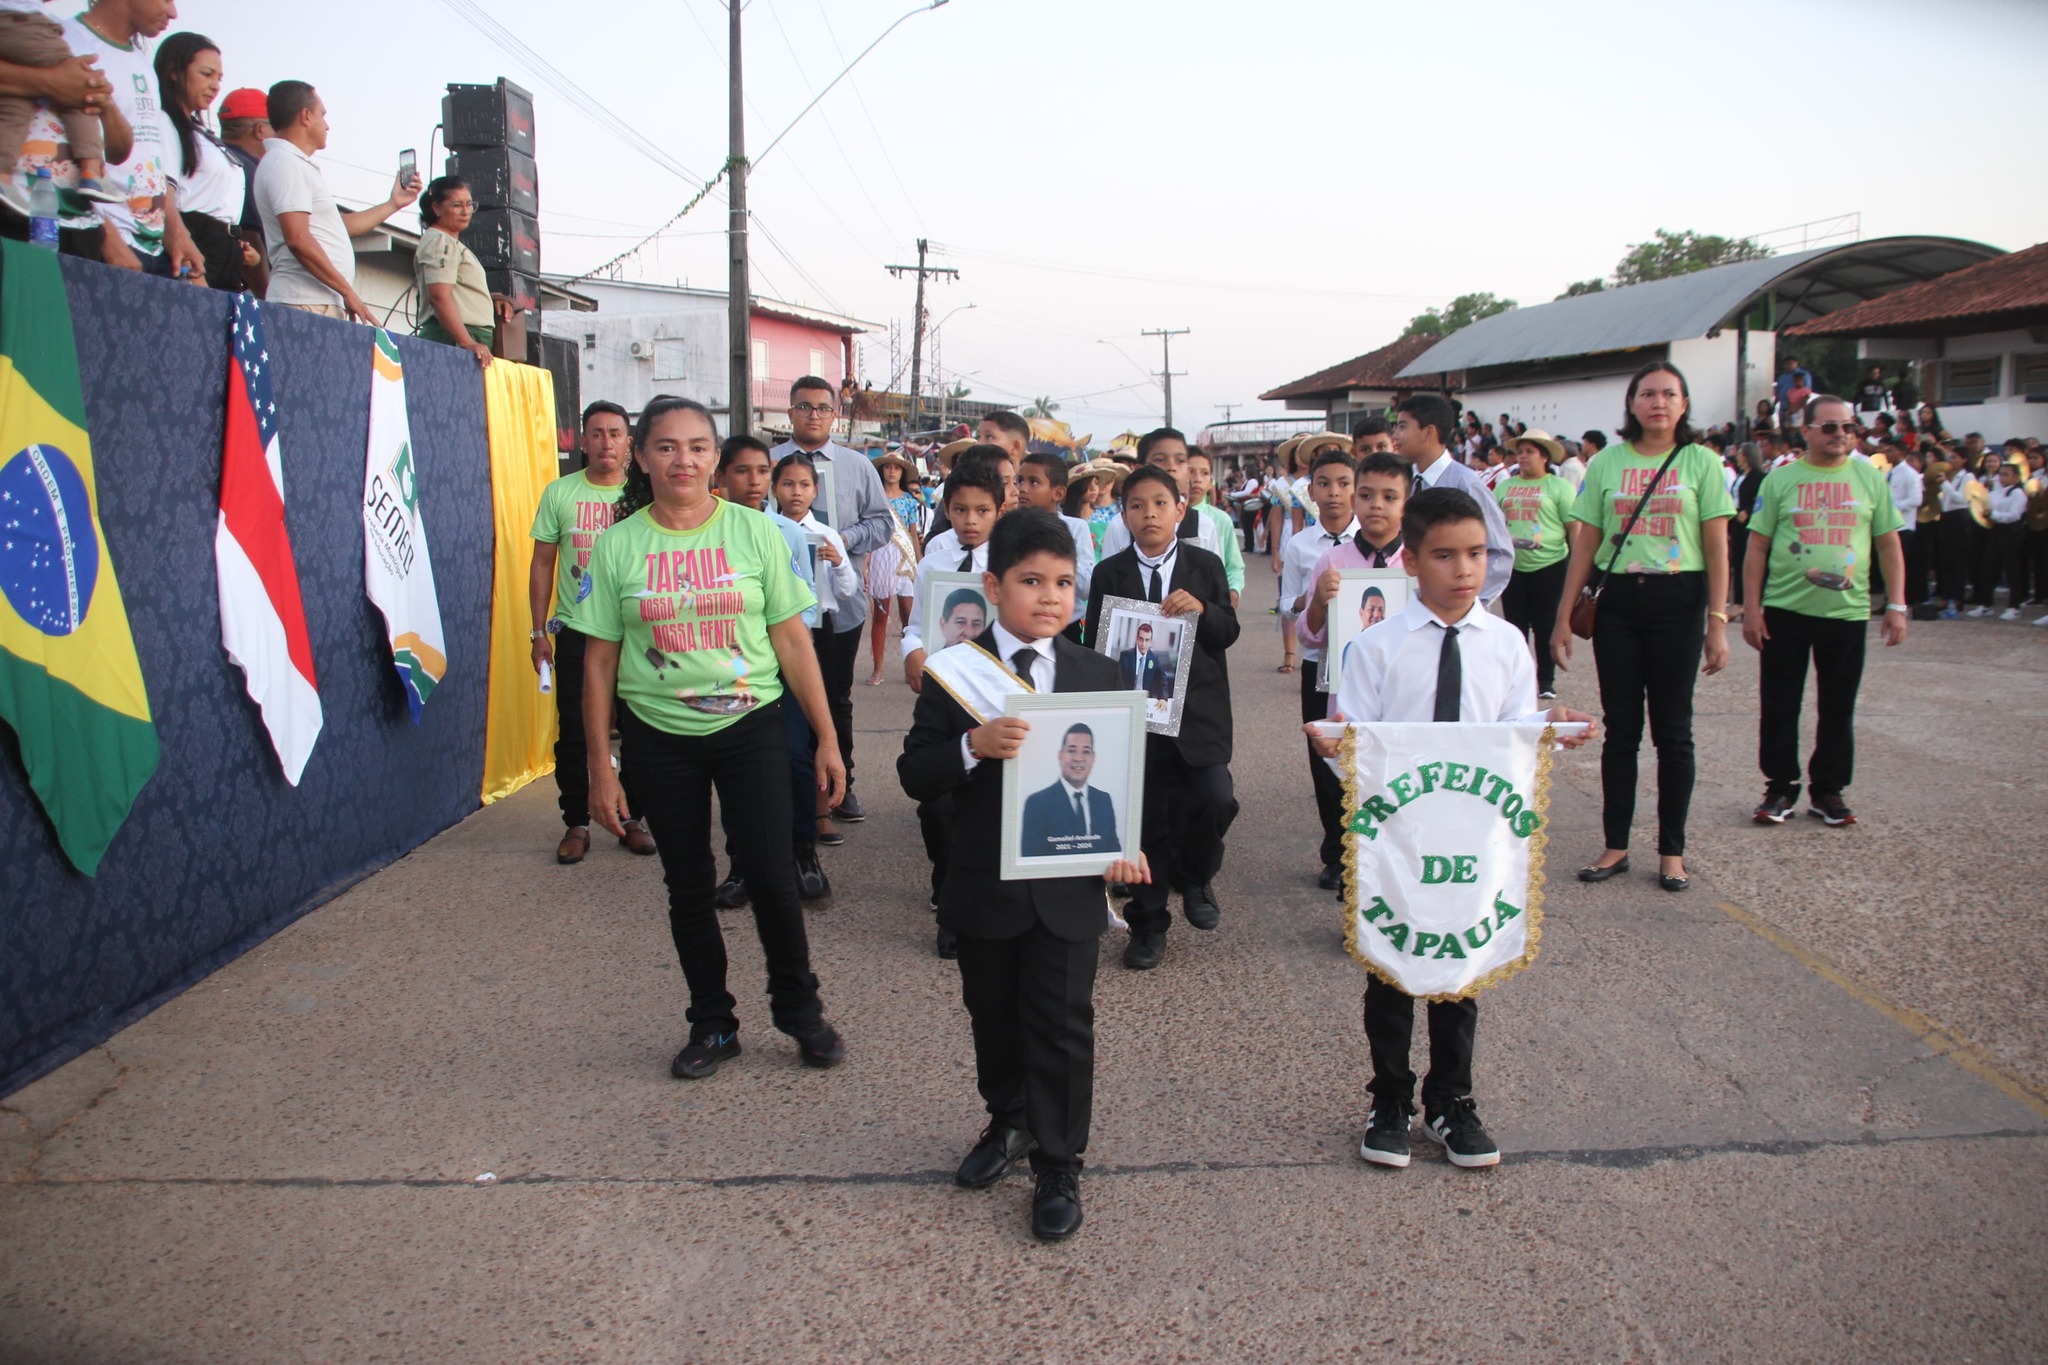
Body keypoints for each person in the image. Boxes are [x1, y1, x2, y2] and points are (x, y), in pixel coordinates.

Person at [1309, 487, 1596, 1172]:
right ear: (1411, 560)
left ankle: (1451, 1098)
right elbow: (1359, 736)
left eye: (1476, 554)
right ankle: (1389, 1097)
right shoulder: (1376, 646)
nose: (1464, 569)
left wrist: (1549, 732)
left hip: (1473, 837)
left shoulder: (1505, 646)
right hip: (1398, 838)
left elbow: (1513, 734)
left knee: (1458, 964)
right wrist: (1337, 744)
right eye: (1445, 555)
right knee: (1391, 964)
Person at [898, 508, 1149, 1243]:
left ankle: (1059, 1162)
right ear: (992, 584)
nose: (1049, 596)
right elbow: (916, 773)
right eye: (1031, 580)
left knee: (1064, 1025)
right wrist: (972, 745)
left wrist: (1127, 846)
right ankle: (1007, 1120)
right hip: (984, 884)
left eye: (1064, 582)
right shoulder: (955, 672)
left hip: (1069, 892)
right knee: (994, 1017)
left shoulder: (1096, 671)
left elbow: (1124, 778)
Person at [579, 396, 847, 1081]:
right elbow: (600, 659)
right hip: (657, 735)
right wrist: (600, 769)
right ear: (642, 456)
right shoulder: (618, 545)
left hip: (750, 724)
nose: (684, 460)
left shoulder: (754, 534)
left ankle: (800, 1010)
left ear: (716, 459)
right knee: (688, 884)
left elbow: (791, 636)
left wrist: (825, 735)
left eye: (698, 446)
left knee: (770, 873)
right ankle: (712, 1021)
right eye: (667, 447)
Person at [1550, 362, 1734, 893]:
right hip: (1619, 603)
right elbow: (1585, 543)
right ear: (1631, 403)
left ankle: (1672, 852)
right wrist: (1563, 616)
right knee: (1622, 730)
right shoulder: (1607, 463)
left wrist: (1718, 621)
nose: (1658, 402)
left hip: (1680, 598)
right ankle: (1615, 845)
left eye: (1670, 394)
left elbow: (1718, 544)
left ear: (1684, 404)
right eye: (1648, 393)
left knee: (1674, 733)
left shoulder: (1702, 463)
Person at [1085, 465, 1240, 972]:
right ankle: (1148, 924)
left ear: (1180, 508)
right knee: (1147, 818)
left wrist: (1202, 610)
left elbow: (1229, 630)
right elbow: (1097, 644)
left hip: (1199, 715)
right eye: (1136, 505)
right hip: (1138, 718)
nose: (1148, 514)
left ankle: (1196, 876)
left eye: (1159, 503)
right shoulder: (1110, 573)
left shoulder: (1205, 564)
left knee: (1214, 798)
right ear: (1123, 514)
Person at [1744, 395, 1908, 827]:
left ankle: (1829, 791)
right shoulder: (1782, 480)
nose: (1841, 435)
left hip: (1846, 612)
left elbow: (1888, 543)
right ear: (1807, 430)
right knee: (1780, 703)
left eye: (1849, 428)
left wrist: (1896, 605)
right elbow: (1756, 546)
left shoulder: (1869, 478)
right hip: (1784, 610)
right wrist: (1752, 608)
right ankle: (1780, 787)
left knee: (1838, 705)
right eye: (1831, 427)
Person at [529, 401, 655, 865]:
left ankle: (632, 818)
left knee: (640, 729)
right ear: (583, 442)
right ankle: (576, 821)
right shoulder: (560, 494)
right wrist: (537, 631)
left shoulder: (644, 495)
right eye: (597, 433)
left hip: (638, 633)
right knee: (577, 731)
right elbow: (542, 564)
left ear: (629, 443)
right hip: (579, 631)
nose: (606, 442)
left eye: (616, 433)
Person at [710, 432, 828, 905]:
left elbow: (806, 609)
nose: (754, 481)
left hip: (780, 667)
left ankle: (802, 851)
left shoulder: (790, 534)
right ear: (721, 477)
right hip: (728, 669)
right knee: (735, 767)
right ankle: (742, 862)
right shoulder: (708, 533)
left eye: (762, 471)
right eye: (742, 471)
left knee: (797, 756)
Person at [772, 376, 894, 825]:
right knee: (786, 698)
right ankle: (795, 790)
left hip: (841, 607)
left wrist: (841, 540)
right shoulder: (769, 463)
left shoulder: (858, 466)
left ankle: (843, 788)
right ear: (790, 412)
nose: (814, 415)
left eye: (823, 408)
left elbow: (882, 525)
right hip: (781, 612)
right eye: (804, 407)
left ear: (834, 414)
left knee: (836, 699)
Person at [900, 456, 1008, 956]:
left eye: (981, 511)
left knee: (989, 804)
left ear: (999, 511)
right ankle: (948, 895)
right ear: (946, 507)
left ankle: (987, 895)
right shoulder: (935, 559)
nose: (969, 520)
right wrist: (912, 652)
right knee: (938, 806)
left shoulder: (1012, 562)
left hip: (996, 697)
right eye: (960, 509)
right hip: (945, 698)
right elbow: (917, 624)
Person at [1295, 451, 1409, 889]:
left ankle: (1392, 875)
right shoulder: (1335, 561)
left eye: (1389, 496)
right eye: (1366, 495)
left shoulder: (1415, 563)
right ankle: (1350, 867)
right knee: (1351, 784)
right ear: (1355, 500)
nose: (1376, 504)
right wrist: (1321, 601)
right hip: (1346, 693)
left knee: (1396, 783)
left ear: (1405, 503)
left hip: (1402, 697)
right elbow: (1309, 636)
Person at [59, 0, 204, 280]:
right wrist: (104, 233)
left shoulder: (141, 62)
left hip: (148, 249)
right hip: (98, 245)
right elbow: (58, 159)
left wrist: (175, 232)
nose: (173, 12)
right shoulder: (69, 43)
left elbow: (146, 157)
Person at [254, 80, 417, 320]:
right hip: (305, 301)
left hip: (318, 301)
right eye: (323, 115)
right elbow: (298, 238)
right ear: (306, 116)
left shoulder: (294, 164)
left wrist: (393, 203)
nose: (327, 125)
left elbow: (338, 227)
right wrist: (347, 291)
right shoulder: (285, 163)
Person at [154, 32, 251, 293]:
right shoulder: (164, 123)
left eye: (219, 78)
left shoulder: (200, 132)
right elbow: (164, 193)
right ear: (174, 72)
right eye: (206, 74)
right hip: (193, 241)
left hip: (223, 249)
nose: (215, 86)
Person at [1393, 393, 1514, 601]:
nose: (1395, 435)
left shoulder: (1467, 484)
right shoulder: (1405, 481)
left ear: (1428, 432)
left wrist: (1468, 604)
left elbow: (1500, 554)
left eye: (1403, 427)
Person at [0, 0, 117, 209]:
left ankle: (3, 176)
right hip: (24, 21)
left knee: (14, 105)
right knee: (80, 85)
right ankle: (92, 171)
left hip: (9, 26)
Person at [1492, 431, 1575, 701]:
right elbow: (1495, 524)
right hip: (1514, 565)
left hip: (1550, 564)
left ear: (1544, 456)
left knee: (1545, 625)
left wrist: (1577, 567)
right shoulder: (1505, 486)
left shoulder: (1559, 487)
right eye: (1520, 451)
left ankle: (1546, 680)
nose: (1523, 457)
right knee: (1515, 627)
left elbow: (1573, 529)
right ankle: (1516, 680)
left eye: (1529, 452)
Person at [413, 175, 497, 366]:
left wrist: (493, 299)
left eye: (469, 204)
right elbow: (439, 297)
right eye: (457, 205)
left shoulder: (450, 242)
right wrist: (466, 341)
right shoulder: (440, 241)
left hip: (466, 337)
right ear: (436, 208)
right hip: (453, 338)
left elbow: (457, 291)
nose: (466, 211)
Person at [1014, 450, 1096, 637]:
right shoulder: (1010, 528)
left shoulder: (1075, 528)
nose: (1023, 488)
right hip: (1020, 626)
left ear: (1058, 493)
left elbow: (1086, 589)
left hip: (1065, 629)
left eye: (1033, 482)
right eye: (1019, 481)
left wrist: (1058, 548)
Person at [1017, 723, 1123, 858]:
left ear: (1093, 757)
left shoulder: (1104, 800)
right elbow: (1031, 858)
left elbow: (1113, 850)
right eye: (1072, 750)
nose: (1078, 758)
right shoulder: (1037, 803)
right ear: (1060, 755)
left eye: (1086, 751)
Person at [863, 451, 923, 685]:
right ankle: (878, 668)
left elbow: (913, 535)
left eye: (896, 468)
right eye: (887, 467)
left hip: (905, 558)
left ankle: (913, 665)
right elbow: (869, 531)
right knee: (881, 615)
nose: (891, 471)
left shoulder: (909, 501)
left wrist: (920, 562)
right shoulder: (874, 498)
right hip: (881, 555)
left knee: (910, 616)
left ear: (902, 472)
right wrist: (865, 563)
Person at [1183, 446, 1246, 607]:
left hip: (1209, 604)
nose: (1197, 479)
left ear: (1211, 480)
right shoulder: (1166, 516)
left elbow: (1234, 566)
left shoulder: (1221, 520)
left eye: (1204, 473)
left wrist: (1233, 589)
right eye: (1191, 471)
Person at [1727, 442, 1767, 622]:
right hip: (1736, 521)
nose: (1738, 456)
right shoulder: (1740, 475)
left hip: (1748, 522)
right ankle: (1738, 600)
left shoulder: (1759, 477)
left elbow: (1761, 498)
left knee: (1746, 558)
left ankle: (1746, 601)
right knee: (1737, 559)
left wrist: (1749, 511)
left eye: (1741, 453)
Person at [1987, 461, 2030, 619]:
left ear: (2016, 477)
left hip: (2011, 532)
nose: (2003, 478)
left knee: (2012, 570)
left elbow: (2014, 515)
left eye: (2007, 475)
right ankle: (1986, 604)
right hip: (1996, 531)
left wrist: (1994, 515)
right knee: (1990, 568)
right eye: (2001, 474)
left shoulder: (2017, 493)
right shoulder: (1997, 491)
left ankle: (2014, 606)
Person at [1117, 620, 1170, 702]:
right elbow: (1118, 679)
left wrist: (1163, 698)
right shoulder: (1125, 656)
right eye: (1141, 639)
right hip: (1127, 699)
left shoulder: (1154, 658)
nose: (1143, 644)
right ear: (1137, 639)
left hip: (1146, 702)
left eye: (1147, 640)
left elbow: (1162, 680)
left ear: (1151, 641)